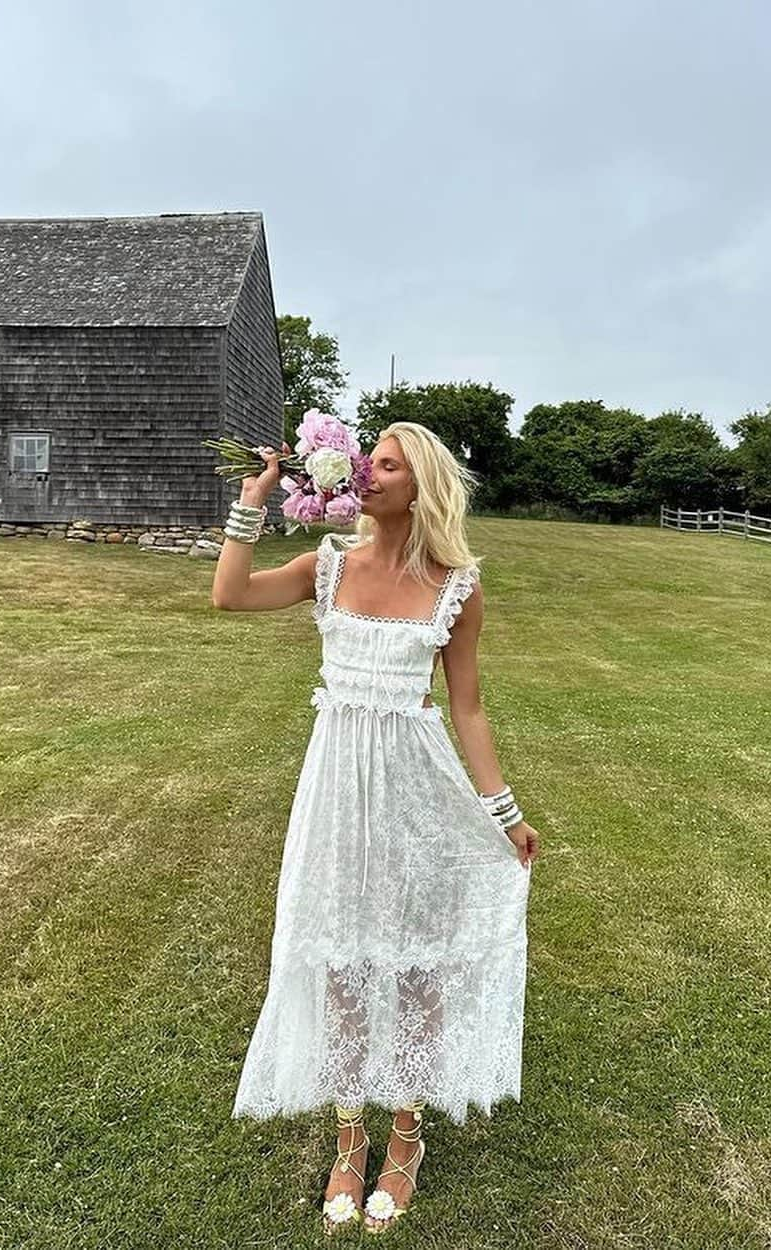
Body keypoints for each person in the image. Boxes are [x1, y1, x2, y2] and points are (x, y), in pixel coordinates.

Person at [212, 422, 540, 1236]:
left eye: (386, 464)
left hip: (415, 789)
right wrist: (251, 506)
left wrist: (503, 813)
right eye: (366, 459)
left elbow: (467, 706)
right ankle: (349, 1140)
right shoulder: (327, 567)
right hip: (335, 789)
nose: (367, 471)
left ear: (419, 485)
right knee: (338, 955)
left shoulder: (456, 585)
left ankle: (406, 1136)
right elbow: (230, 594)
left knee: (418, 960)